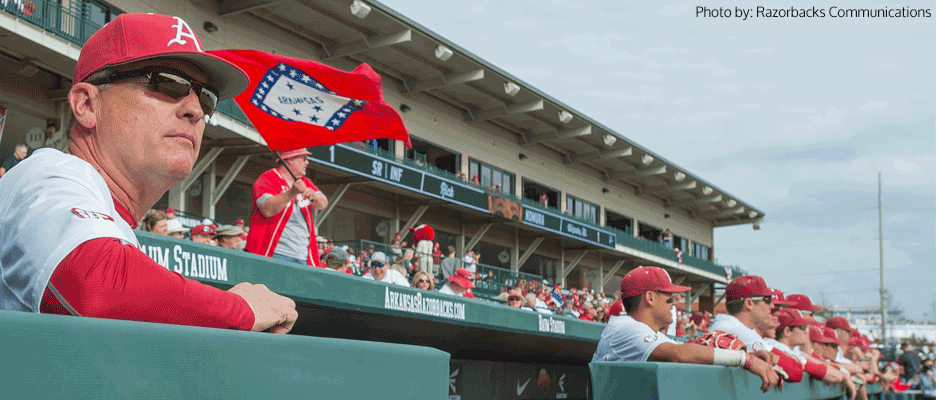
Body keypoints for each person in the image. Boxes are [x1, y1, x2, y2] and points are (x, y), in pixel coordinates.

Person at [0, 13, 296, 333]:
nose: (196, 110)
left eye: (205, 97)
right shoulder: (46, 173)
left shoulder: (114, 226)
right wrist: (240, 310)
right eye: (168, 82)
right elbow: (94, 281)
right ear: (87, 104)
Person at [591, 266, 781, 393]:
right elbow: (679, 353)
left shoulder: (644, 331)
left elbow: (688, 348)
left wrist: (752, 353)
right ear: (650, 298)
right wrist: (746, 360)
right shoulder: (624, 327)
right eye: (669, 298)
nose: (674, 304)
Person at [710, 275, 804, 383]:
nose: (772, 306)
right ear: (749, 303)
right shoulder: (735, 329)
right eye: (767, 300)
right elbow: (796, 372)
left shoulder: (730, 324)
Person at [245, 147, 328, 266]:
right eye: (304, 158)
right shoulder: (269, 178)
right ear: (290, 159)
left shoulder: (305, 181)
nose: (307, 162)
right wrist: (291, 192)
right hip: (274, 254)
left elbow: (323, 203)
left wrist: (314, 196)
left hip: (304, 257)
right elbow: (267, 209)